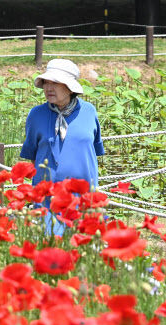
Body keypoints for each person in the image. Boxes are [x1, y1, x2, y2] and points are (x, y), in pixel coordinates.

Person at [20, 58, 104, 235]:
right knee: (52, 252)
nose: (49, 88)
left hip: (84, 199)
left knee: (85, 253)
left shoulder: (89, 112)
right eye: (46, 82)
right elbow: (33, 157)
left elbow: (93, 153)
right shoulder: (36, 115)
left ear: (70, 87)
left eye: (56, 83)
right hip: (47, 199)